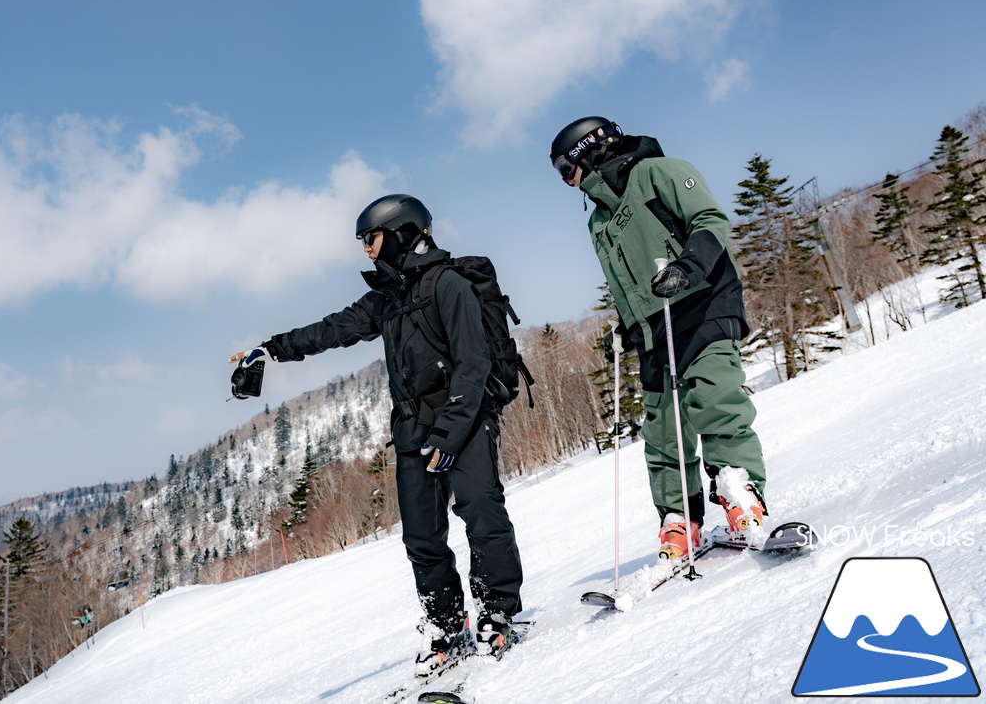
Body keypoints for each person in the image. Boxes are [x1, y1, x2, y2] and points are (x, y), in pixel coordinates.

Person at [231, 194, 524, 674]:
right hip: (412, 427)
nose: (366, 248)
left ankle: (498, 614)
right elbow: (333, 329)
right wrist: (272, 349)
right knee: (422, 537)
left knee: (482, 513)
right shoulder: (387, 298)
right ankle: (447, 627)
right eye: (363, 240)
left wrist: (450, 434)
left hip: (464, 420)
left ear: (402, 231)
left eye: (371, 237)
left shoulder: (449, 285)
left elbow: (473, 364)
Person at [548, 116, 770, 559]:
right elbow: (625, 282)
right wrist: (626, 325)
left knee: (714, 400)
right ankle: (680, 520)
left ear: (589, 151)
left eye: (565, 169)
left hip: (702, 301)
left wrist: (688, 267)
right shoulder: (598, 222)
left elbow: (709, 219)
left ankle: (740, 497)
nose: (566, 180)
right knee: (663, 431)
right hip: (653, 328)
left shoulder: (658, 172)